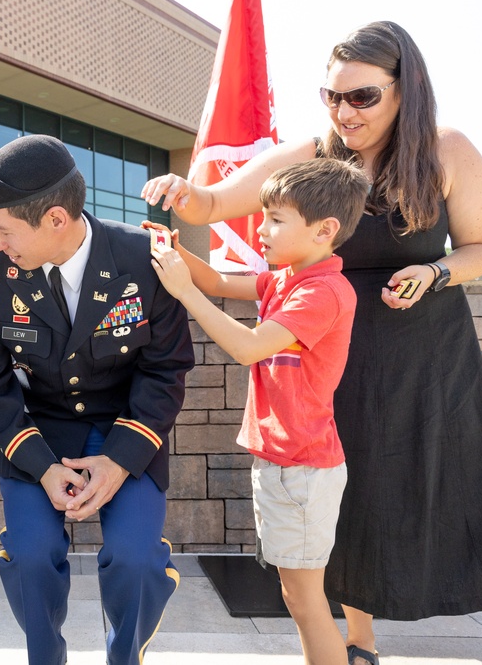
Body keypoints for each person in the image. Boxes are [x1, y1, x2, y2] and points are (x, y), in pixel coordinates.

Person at [142, 20, 482, 665]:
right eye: (332, 95)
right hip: (336, 349)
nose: (344, 110)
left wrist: (435, 272)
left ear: (405, 89)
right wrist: (184, 193)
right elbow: (212, 203)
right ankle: (358, 641)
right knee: (351, 491)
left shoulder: (446, 149)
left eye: (362, 97)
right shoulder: (313, 155)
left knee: (464, 484)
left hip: (430, 350)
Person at [0, 134, 194, 665]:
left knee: (134, 562)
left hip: (127, 430)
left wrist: (117, 462)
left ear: (56, 219)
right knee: (32, 556)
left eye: (3, 229)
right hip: (41, 430)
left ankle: (124, 657)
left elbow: (166, 368)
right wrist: (39, 466)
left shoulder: (145, 258)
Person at [151, 158, 369, 665]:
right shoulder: (287, 280)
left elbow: (249, 347)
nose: (261, 228)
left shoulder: (321, 292)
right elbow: (222, 284)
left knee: (306, 600)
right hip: (286, 463)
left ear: (324, 230)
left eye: (275, 218)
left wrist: (182, 290)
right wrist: (176, 252)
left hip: (301, 468)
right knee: (298, 597)